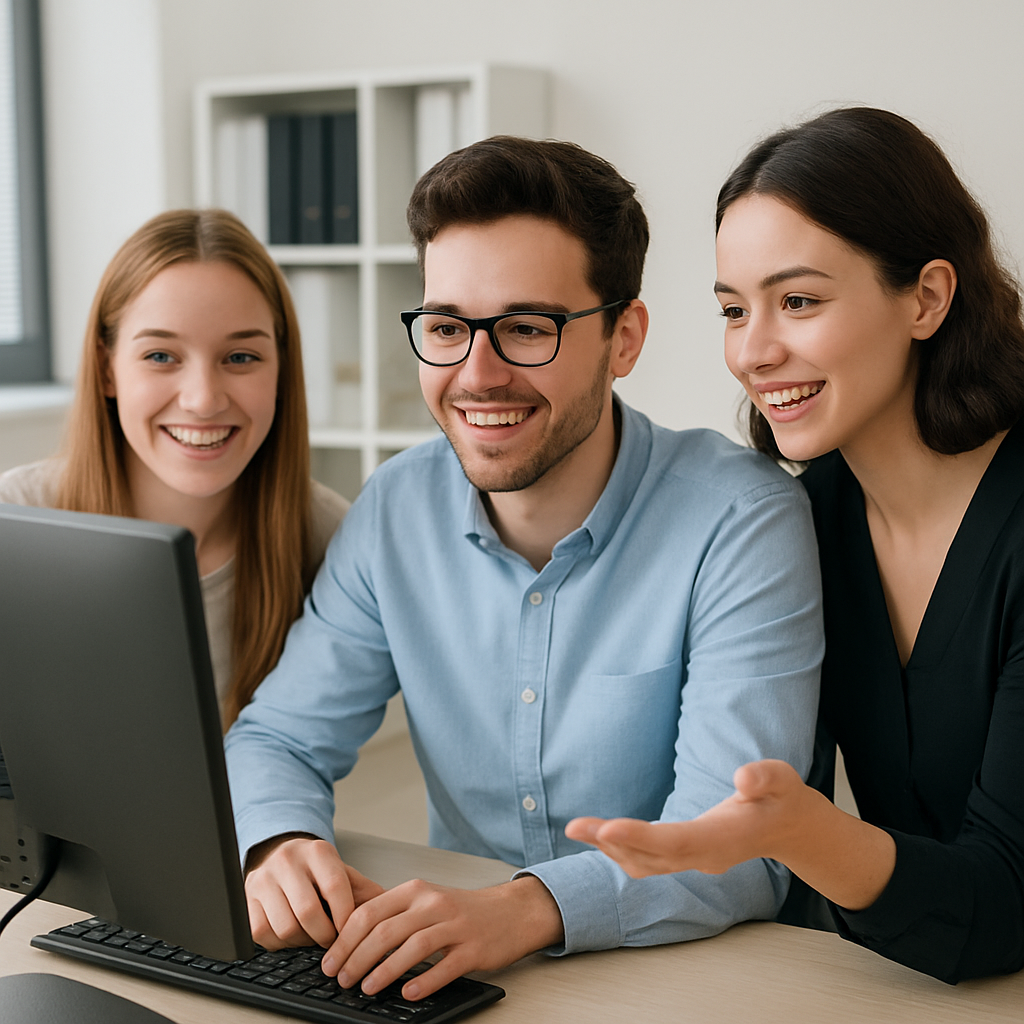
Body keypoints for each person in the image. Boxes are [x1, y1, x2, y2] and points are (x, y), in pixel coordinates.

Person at [224, 136, 823, 1002]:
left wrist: (523, 908)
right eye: (445, 328)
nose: (477, 375)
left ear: (624, 338)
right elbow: (277, 737)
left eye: (525, 329)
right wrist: (280, 845)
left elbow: (739, 845)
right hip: (457, 980)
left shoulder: (742, 517)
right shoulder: (395, 508)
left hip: (689, 981)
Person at [566, 107, 1024, 984]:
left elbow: (1004, 906)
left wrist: (801, 835)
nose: (753, 351)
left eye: (799, 301)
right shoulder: (807, 517)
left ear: (926, 297)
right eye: (735, 310)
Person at [0, 209, 349, 727]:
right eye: (161, 356)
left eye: (241, 357)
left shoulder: (330, 540)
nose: (203, 400)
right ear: (106, 369)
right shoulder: (16, 521)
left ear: (281, 369)